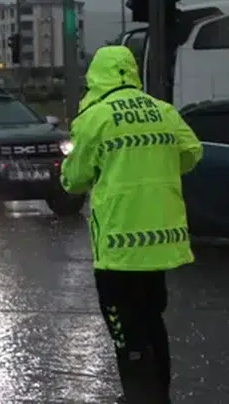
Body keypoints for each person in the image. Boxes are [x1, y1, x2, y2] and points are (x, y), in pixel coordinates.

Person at [60, 45, 204, 404]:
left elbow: (74, 180)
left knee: (127, 336)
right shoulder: (163, 111)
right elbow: (192, 152)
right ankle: (159, 397)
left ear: (96, 76)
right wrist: (158, 167)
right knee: (153, 324)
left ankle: (140, 398)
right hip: (160, 245)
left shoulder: (95, 118)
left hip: (119, 248)